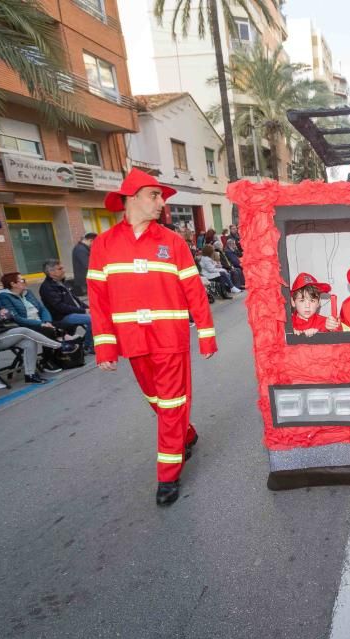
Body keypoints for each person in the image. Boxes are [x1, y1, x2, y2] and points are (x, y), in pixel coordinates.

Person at [88, 168, 217, 507]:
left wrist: (205, 333)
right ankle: (185, 434)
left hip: (170, 338)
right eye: (154, 195)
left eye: (161, 196)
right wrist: (105, 346)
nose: (161, 202)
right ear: (131, 199)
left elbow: (194, 290)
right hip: (132, 340)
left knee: (171, 402)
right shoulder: (103, 245)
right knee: (157, 401)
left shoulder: (173, 242)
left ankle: (167, 474)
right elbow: (98, 299)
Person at [0, 278, 63, 384]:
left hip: (1, 334)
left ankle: (30, 375)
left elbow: (10, 314)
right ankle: (59, 346)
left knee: (29, 342)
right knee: (23, 331)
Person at [0, 272, 66, 373]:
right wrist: (41, 324)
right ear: (13, 284)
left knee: (62, 324)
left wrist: (46, 321)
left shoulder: (27, 292)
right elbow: (16, 318)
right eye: (22, 280)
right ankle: (46, 361)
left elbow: (42, 308)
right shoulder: (4, 297)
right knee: (49, 331)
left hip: (41, 322)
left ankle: (60, 356)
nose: (25, 282)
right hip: (25, 325)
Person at [39, 260, 94, 354]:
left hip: (73, 313)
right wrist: (84, 311)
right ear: (51, 272)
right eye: (60, 269)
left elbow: (76, 300)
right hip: (62, 317)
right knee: (93, 319)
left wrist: (89, 308)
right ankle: (88, 345)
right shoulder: (47, 287)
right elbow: (60, 307)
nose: (63, 270)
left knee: (100, 314)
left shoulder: (62, 282)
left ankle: (89, 342)